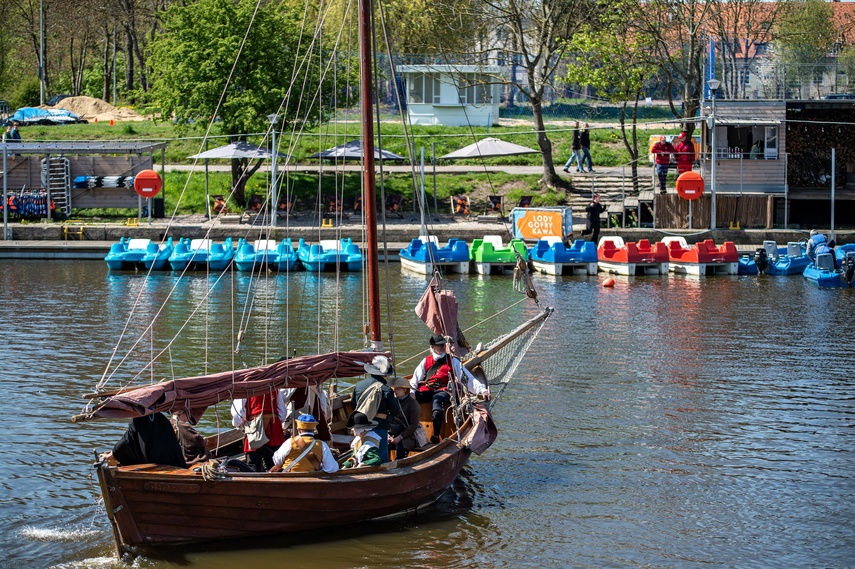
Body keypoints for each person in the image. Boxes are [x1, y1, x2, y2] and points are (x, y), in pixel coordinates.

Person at [410, 333, 491, 444]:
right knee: (408, 401)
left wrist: (482, 390)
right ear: (432, 347)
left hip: (445, 391)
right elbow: (415, 379)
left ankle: (435, 435)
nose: (442, 347)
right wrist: (411, 392)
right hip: (427, 390)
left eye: (443, 344)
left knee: (437, 403)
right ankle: (409, 433)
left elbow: (467, 378)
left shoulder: (453, 361)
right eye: (439, 345)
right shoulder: (426, 361)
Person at [351, 354, 404, 462]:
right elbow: (395, 412)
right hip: (379, 427)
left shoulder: (358, 385)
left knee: (360, 454)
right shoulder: (386, 389)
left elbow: (353, 405)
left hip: (360, 426)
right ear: (385, 374)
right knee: (380, 458)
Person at [231, 389, 290, 472]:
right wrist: (275, 423)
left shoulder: (246, 388)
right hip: (273, 428)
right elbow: (283, 413)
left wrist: (240, 425)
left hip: (255, 427)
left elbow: (238, 413)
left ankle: (254, 483)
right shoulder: (274, 388)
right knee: (273, 462)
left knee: (254, 463)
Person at [270, 414, 339, 473]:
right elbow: (332, 468)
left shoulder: (289, 442)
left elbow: (277, 461)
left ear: (299, 429)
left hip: (289, 478)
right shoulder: (322, 445)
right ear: (313, 430)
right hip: (312, 480)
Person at [388, 376, 421, 459]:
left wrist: (400, 437)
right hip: (393, 433)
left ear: (405, 390)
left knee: (401, 447)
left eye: (397, 389)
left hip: (409, 435)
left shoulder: (413, 404)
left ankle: (399, 465)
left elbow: (413, 425)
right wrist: (388, 435)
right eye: (395, 389)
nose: (395, 391)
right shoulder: (393, 402)